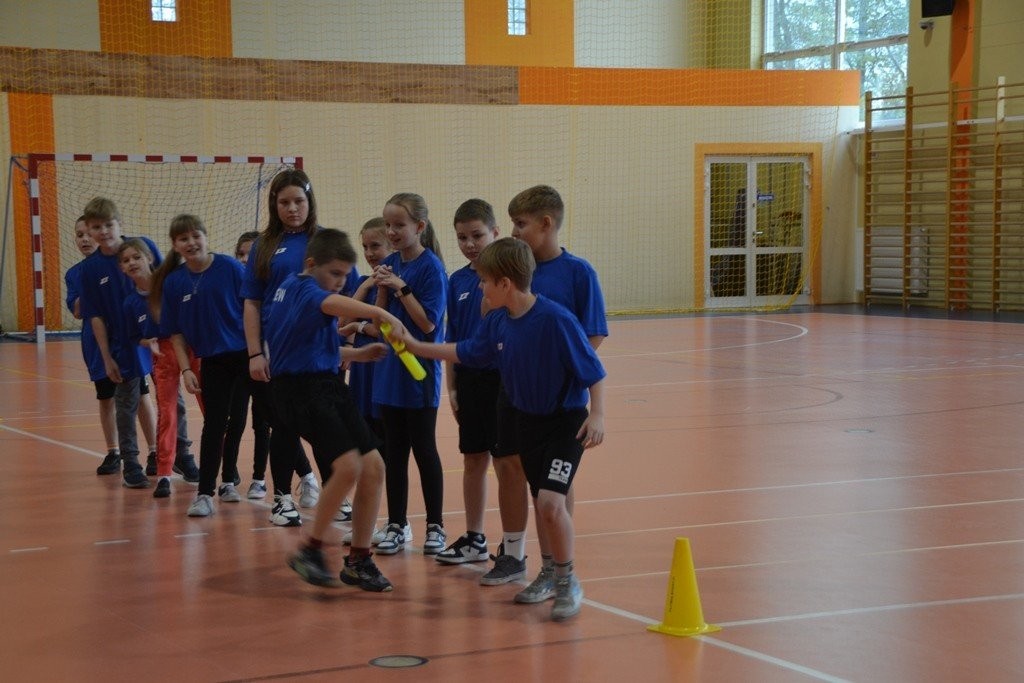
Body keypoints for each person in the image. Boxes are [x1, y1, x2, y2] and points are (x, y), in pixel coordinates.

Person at [398, 237, 606, 621]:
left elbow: (592, 370)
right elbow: (463, 351)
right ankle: (548, 572)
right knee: (541, 503)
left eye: (484, 281)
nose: (480, 288)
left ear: (505, 283)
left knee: (551, 503)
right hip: (528, 422)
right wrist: (414, 346)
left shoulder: (556, 320)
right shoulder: (496, 321)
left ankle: (567, 580)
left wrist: (598, 415)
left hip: (566, 424)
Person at [481, 185, 609, 600]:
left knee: (555, 488)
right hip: (516, 391)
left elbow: (590, 335)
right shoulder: (513, 270)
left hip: (559, 401)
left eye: (520, 224)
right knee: (516, 470)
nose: (514, 232)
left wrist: (562, 373)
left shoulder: (578, 273)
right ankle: (521, 557)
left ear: (546, 223)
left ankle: (558, 568)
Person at [272, 229, 404, 592]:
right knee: (348, 466)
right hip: (301, 391)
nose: (341, 282)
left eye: (346, 275)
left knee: (374, 466)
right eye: (335, 273)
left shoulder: (305, 293)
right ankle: (309, 550)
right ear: (311, 264)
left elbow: (312, 348)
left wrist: (357, 354)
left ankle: (359, 560)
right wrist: (379, 311)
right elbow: (331, 305)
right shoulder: (301, 289)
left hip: (327, 384)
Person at [243, 169, 325, 526]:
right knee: (284, 424)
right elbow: (252, 303)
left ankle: (335, 495)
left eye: (299, 201)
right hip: (279, 352)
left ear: (310, 202)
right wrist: (255, 352)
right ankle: (282, 499)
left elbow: (345, 294)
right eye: (284, 202)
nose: (292, 209)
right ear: (274, 205)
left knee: (326, 425)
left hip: (319, 350)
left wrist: (347, 342)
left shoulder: (326, 241)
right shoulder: (263, 246)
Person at [371, 193, 448, 555]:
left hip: (419, 373)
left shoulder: (431, 268)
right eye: (388, 225)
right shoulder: (389, 263)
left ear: (419, 226)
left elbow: (428, 324)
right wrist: (380, 289)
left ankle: (436, 526)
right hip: (390, 372)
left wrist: (400, 288)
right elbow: (379, 322)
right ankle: (397, 524)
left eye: (399, 225)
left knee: (424, 449)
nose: (392, 231)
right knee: (394, 452)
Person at [157, 214, 248, 516]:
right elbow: (176, 333)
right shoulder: (174, 282)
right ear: (175, 245)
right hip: (212, 361)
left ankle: (234, 482)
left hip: (246, 355)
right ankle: (205, 493)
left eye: (196, 236)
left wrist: (261, 353)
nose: (191, 242)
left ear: (206, 237)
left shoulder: (231, 268)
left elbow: (252, 309)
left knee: (248, 420)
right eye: (183, 238)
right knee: (215, 424)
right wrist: (186, 369)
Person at [77, 197, 162, 489]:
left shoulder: (143, 246)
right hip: (124, 344)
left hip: (159, 337)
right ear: (89, 230)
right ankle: (130, 462)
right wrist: (106, 357)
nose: (103, 232)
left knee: (169, 399)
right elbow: (95, 316)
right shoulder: (89, 269)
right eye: (96, 227)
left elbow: (166, 283)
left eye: (108, 225)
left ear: (119, 223)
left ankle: (166, 454)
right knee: (126, 403)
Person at [435, 199, 500, 565]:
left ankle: (513, 542)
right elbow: (453, 340)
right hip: (470, 380)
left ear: (495, 233)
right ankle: (475, 538)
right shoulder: (457, 281)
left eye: (477, 235)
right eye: (462, 238)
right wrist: (453, 389)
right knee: (473, 459)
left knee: (508, 462)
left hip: (505, 379)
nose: (470, 244)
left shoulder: (510, 277)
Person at [120, 238, 199, 498]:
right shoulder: (131, 303)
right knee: (167, 411)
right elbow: (134, 336)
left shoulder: (169, 284)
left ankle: (223, 470)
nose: (132, 263)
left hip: (189, 347)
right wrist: (148, 342)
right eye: (126, 260)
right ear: (121, 268)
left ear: (149, 258)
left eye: (136, 257)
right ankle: (164, 472)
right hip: (163, 356)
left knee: (209, 405)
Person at [65, 217, 119, 469]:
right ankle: (113, 452)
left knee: (140, 395)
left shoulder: (119, 262)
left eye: (89, 233)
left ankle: (154, 451)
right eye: (79, 235)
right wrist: (90, 284)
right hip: (95, 342)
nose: (85, 239)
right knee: (105, 396)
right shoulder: (75, 273)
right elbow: (77, 311)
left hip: (123, 336)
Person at [231, 231, 271, 499]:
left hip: (264, 360)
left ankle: (259, 478)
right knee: (235, 420)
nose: (245, 259)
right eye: (241, 254)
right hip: (237, 360)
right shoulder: (233, 285)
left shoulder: (267, 287)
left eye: (250, 254)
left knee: (263, 421)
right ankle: (227, 477)